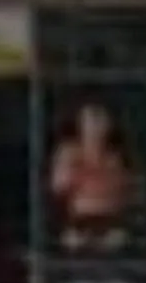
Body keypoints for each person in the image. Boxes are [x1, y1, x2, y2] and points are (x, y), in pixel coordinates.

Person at [49, 101, 133, 254]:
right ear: (81, 125)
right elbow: (59, 187)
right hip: (78, 223)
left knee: (117, 243)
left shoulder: (114, 158)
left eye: (100, 122)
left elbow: (121, 191)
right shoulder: (69, 154)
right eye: (91, 122)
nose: (96, 128)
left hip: (109, 223)